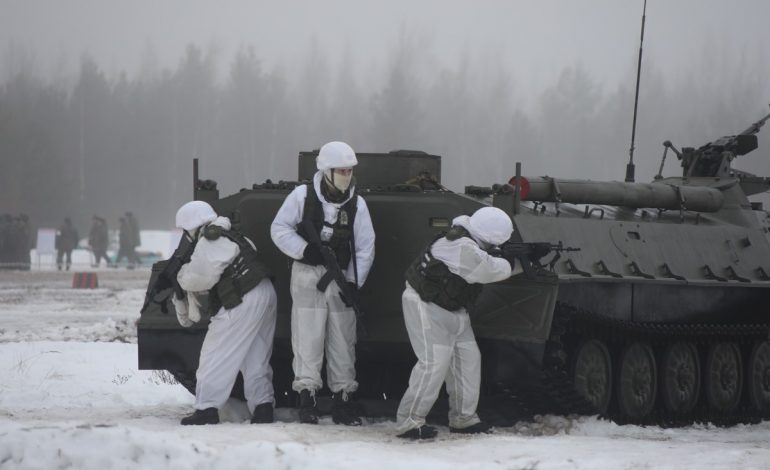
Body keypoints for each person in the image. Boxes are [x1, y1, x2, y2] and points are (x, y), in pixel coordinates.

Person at [395, 207, 525, 440]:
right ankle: (409, 421)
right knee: (434, 363)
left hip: (453, 308)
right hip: (426, 305)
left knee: (468, 360)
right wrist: (519, 264)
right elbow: (487, 270)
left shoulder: (470, 242)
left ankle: (463, 419)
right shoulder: (459, 245)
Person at [270, 141, 375, 426]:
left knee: (343, 337)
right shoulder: (302, 196)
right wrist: (305, 250)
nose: (346, 176)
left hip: (340, 275)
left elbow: (365, 247)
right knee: (307, 336)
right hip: (307, 274)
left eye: (349, 170)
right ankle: (307, 397)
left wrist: (353, 281)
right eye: (341, 170)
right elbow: (279, 229)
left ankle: (343, 398)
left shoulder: (356, 203)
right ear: (326, 171)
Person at [173, 200, 278, 426]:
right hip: (264, 291)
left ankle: (206, 408)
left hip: (242, 298)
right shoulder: (233, 234)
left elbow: (199, 278)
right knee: (255, 355)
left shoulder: (211, 240)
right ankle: (262, 406)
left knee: (215, 355)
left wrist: (181, 275)